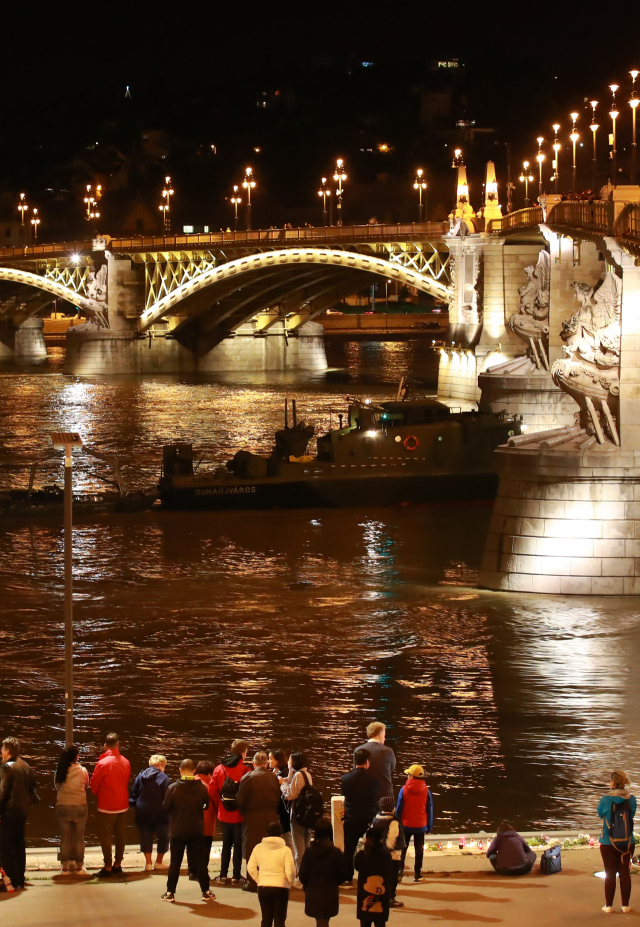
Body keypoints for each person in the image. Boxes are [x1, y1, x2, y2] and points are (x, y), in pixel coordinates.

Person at [161, 758, 215, 904]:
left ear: (180, 771)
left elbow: (165, 808)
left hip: (178, 829)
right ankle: (206, 892)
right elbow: (206, 804)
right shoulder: (201, 787)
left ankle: (170, 892)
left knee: (175, 862)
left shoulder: (173, 788)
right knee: (200, 862)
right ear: (194, 771)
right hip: (196, 830)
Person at [237, 751, 282, 892]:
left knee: (252, 849)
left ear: (253, 763)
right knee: (270, 848)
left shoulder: (248, 777)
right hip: (270, 815)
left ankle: (253, 882)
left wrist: (244, 812)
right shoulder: (273, 777)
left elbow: (241, 798)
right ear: (266, 763)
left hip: (253, 816)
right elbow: (278, 795)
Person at [90, 733, 131, 878]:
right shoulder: (126, 762)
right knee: (120, 834)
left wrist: (96, 792)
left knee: (105, 835)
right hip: (123, 803)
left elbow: (94, 784)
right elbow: (126, 780)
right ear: (118, 744)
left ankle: (107, 867)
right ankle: (117, 864)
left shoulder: (102, 763)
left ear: (105, 746)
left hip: (107, 804)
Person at [0, 737, 39, 891]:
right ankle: (20, 879)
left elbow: (2, 793)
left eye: (2, 748)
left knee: (6, 847)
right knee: (19, 844)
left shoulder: (6, 768)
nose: (1, 751)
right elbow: (33, 789)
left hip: (9, 812)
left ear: (8, 751)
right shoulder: (25, 766)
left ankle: (9, 880)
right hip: (22, 811)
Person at [210, 739, 250, 886]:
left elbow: (212, 790)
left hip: (224, 814)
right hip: (240, 815)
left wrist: (219, 806)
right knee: (238, 846)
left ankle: (223, 875)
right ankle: (236, 876)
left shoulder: (219, 769)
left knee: (226, 845)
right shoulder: (246, 771)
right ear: (242, 753)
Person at [598, 769, 637, 914]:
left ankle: (608, 906)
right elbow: (631, 814)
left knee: (610, 873)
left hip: (608, 842)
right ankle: (625, 906)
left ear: (612, 782)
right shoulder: (631, 799)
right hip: (627, 842)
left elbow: (600, 813)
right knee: (624, 872)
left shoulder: (605, 800)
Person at [299, 816, 348, 927]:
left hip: (313, 892)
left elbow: (302, 874)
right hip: (330, 892)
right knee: (324, 919)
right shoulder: (336, 852)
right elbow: (343, 875)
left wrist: (307, 884)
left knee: (320, 919)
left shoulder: (309, 852)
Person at [341, 747, 380, 884]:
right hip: (369, 819)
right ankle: (370, 874)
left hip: (351, 818)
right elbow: (375, 797)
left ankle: (347, 877)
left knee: (349, 850)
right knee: (371, 849)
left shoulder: (346, 778)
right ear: (367, 762)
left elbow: (346, 796)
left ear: (354, 762)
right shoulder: (374, 779)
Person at [248, 820, 295, 927]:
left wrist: (259, 879)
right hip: (281, 887)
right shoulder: (285, 850)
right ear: (281, 835)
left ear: (267, 834)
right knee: (279, 919)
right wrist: (289, 882)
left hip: (263, 887)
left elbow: (251, 867)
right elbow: (291, 870)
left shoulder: (258, 848)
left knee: (266, 918)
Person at [129, 754, 170, 871]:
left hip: (142, 811)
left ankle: (148, 863)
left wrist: (135, 804)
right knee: (163, 836)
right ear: (160, 765)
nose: (164, 768)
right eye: (164, 765)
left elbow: (133, 793)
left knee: (145, 837)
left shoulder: (140, 776)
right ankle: (158, 862)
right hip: (160, 812)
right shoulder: (164, 778)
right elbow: (167, 796)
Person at [54, 744, 89, 875]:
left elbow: (56, 786)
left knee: (65, 838)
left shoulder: (60, 771)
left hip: (63, 806)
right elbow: (86, 784)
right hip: (80, 806)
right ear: (75, 757)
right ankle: (80, 866)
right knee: (79, 837)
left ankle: (65, 867)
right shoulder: (83, 770)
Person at [395, 764, 433, 883]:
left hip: (405, 825)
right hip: (421, 826)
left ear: (411, 776)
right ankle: (417, 873)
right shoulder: (426, 791)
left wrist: (396, 822)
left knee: (402, 848)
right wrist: (429, 826)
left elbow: (399, 808)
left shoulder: (404, 789)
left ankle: (399, 871)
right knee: (419, 849)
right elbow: (429, 809)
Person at [279, 752, 313, 873]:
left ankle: (302, 873)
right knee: (306, 843)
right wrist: (289, 774)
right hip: (307, 815)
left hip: (298, 816)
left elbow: (289, 795)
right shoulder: (306, 774)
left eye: (289, 760)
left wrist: (282, 784)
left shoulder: (298, 775)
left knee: (299, 847)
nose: (287, 762)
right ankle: (308, 870)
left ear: (294, 763)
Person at [354, 828, 394, 927]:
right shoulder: (386, 855)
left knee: (365, 922)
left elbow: (357, 866)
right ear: (381, 839)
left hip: (364, 893)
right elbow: (390, 869)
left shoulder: (361, 855)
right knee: (380, 922)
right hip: (382, 895)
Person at [372, 797, 405, 907]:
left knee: (380, 877)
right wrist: (389, 849)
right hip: (391, 855)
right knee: (391, 878)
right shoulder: (393, 821)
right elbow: (392, 837)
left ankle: (379, 896)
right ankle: (390, 898)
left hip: (377, 853)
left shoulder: (376, 818)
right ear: (392, 808)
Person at [189, 760, 216, 880]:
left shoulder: (188, 781)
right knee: (204, 848)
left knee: (191, 847)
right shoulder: (210, 784)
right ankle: (202, 872)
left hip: (189, 820)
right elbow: (215, 800)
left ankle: (192, 871)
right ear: (210, 773)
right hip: (207, 821)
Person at [354, 723, 395, 799]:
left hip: (365, 793)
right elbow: (392, 768)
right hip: (384, 794)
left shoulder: (358, 750)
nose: (384, 739)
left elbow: (357, 769)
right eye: (384, 736)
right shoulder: (388, 751)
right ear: (379, 735)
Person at [269, 747, 294, 852]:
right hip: (277, 812)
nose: (268, 761)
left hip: (284, 812)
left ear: (278, 760)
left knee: (287, 839)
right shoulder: (274, 772)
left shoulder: (283, 775)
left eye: (271, 759)